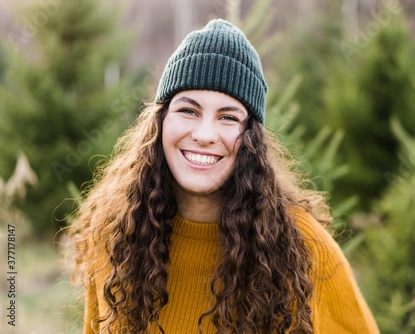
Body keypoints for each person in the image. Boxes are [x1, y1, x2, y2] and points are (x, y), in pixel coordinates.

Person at [71, 19, 379, 334]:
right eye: (188, 111)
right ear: (160, 123)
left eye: (228, 117)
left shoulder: (302, 245)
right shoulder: (117, 234)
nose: (205, 134)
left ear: (251, 138)